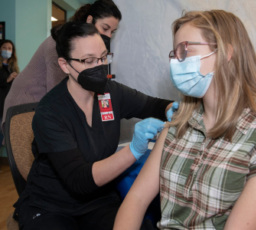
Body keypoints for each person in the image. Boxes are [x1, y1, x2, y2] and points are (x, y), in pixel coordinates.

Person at [113, 10, 256, 230]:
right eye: (174, 53)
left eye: (186, 50)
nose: (176, 62)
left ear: (226, 52)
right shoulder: (180, 122)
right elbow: (136, 199)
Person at [13, 21, 172, 230]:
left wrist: (171, 108)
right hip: (51, 205)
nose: (99, 66)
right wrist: (133, 150)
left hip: (98, 200)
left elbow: (153, 105)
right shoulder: (50, 111)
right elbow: (80, 180)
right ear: (64, 65)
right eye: (89, 60)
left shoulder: (110, 93)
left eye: (104, 57)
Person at [1, 0, 121, 131]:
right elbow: (58, 93)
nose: (108, 36)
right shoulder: (58, 45)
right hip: (24, 107)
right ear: (89, 20)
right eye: (105, 28)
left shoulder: (83, 48)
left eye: (112, 32)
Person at [0, 39, 19, 143]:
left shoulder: (13, 67)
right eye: (4, 48)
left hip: (9, 106)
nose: (7, 50)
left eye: (9, 48)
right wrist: (7, 80)